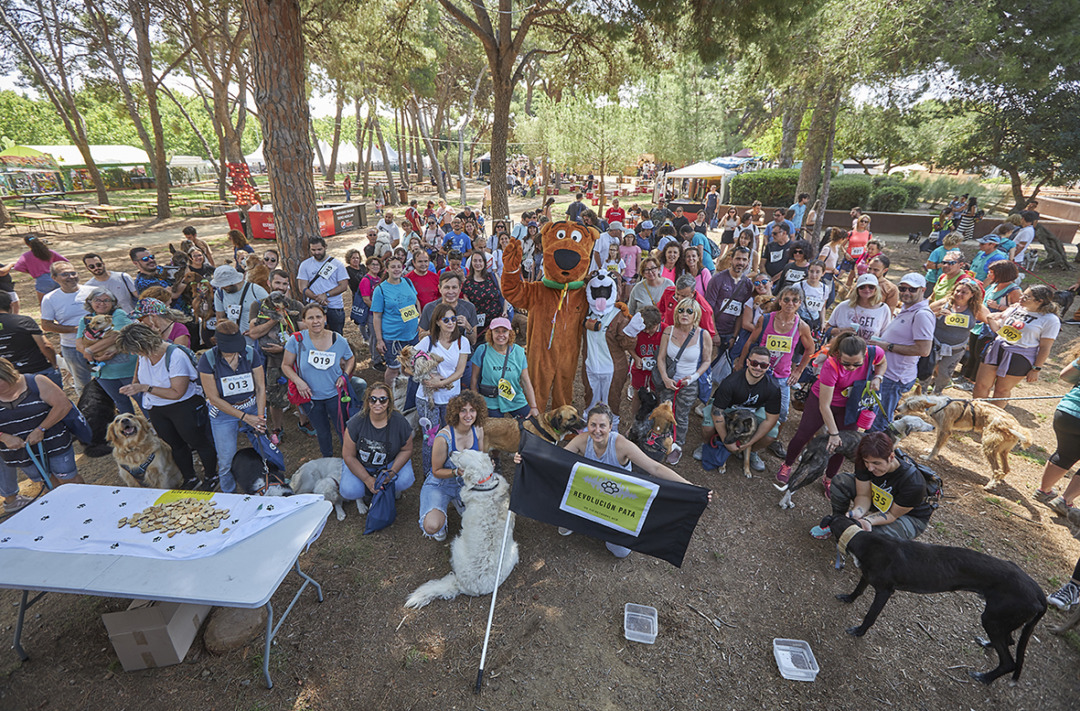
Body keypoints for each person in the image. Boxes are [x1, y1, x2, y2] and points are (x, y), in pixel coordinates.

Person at [550, 403, 708, 558]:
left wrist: (691, 486)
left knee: (620, 552)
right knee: (565, 517)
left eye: (602, 426)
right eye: (593, 425)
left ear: (610, 426)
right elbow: (556, 460)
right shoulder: (582, 440)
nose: (597, 431)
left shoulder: (622, 445)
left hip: (617, 499)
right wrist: (527, 459)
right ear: (588, 425)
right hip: (591, 493)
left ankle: (601, 524)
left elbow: (655, 468)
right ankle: (578, 519)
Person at [775, 332, 886, 489]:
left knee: (843, 444)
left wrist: (878, 377)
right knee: (804, 434)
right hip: (823, 400)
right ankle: (787, 464)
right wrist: (833, 434)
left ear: (865, 354)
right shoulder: (831, 364)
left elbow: (882, 362)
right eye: (847, 364)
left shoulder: (874, 352)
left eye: (857, 364)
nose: (852, 368)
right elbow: (824, 405)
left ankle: (829, 478)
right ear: (838, 355)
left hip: (851, 404)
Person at [117, 323, 217, 490]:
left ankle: (211, 475)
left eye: (135, 350)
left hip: (183, 407)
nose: (134, 354)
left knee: (198, 442)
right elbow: (138, 375)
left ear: (145, 344)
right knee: (174, 445)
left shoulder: (175, 355)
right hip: (157, 408)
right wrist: (134, 385)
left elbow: (176, 392)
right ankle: (190, 477)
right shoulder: (144, 355)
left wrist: (144, 388)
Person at [810, 432, 934, 541]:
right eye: (867, 462)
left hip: (908, 516)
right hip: (882, 501)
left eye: (876, 463)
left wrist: (868, 520)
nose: (870, 468)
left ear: (891, 457)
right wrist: (855, 513)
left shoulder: (914, 483)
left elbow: (892, 514)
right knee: (841, 481)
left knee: (873, 535)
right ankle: (837, 522)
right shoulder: (865, 461)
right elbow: (864, 495)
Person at [0, 356, 84, 513]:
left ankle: (84, 505)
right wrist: (3, 437)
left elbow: (63, 405)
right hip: (20, 451)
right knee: (46, 481)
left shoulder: (36, 382)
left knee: (69, 479)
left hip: (54, 443)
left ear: (7, 374)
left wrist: (41, 429)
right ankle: (63, 511)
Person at [197, 320, 267, 493]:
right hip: (223, 412)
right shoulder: (208, 360)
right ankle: (229, 493)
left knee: (264, 449)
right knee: (226, 459)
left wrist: (259, 417)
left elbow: (260, 388)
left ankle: (267, 483)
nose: (232, 352)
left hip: (251, 406)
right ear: (217, 342)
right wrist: (245, 418)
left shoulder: (250, 354)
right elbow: (213, 398)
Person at [735, 284, 814, 428]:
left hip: (781, 376)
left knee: (782, 412)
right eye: (787, 299)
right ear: (780, 301)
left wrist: (798, 371)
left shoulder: (802, 326)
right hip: (757, 370)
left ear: (799, 303)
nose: (790, 303)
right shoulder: (765, 319)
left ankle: (774, 440)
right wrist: (741, 363)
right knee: (747, 406)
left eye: (795, 300)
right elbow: (750, 341)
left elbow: (810, 349)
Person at [282, 304, 356, 458]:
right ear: (304, 321)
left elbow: (350, 358)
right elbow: (286, 365)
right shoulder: (297, 340)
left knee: (342, 429)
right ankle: (327, 458)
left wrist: (345, 376)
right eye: (310, 318)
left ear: (325, 319)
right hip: (311, 398)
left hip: (335, 395)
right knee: (322, 432)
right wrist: (298, 381)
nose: (315, 321)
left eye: (318, 317)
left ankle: (349, 460)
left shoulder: (337, 339)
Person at [866, 273, 934, 431]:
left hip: (894, 377)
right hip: (886, 373)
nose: (906, 292)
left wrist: (887, 346)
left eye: (912, 289)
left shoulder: (922, 314)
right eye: (903, 288)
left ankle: (875, 452)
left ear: (923, 290)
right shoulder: (907, 309)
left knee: (879, 421)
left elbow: (924, 350)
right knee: (873, 415)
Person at [698, 346, 782, 472]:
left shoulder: (773, 387)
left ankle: (751, 451)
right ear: (748, 362)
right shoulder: (731, 382)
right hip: (728, 409)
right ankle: (706, 444)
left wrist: (749, 443)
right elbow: (717, 412)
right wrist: (727, 441)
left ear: (768, 366)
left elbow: (771, 419)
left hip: (754, 410)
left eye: (763, 365)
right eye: (754, 363)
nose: (758, 368)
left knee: (772, 434)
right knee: (708, 426)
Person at [247, 269, 308, 442]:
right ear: (269, 283)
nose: (281, 287)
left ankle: (304, 422)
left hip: (295, 359)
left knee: (301, 391)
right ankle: (277, 428)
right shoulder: (258, 306)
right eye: (277, 283)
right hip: (272, 362)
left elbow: (305, 332)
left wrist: (284, 349)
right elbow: (254, 333)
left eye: (284, 284)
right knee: (275, 398)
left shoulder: (295, 305)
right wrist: (275, 318)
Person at [973, 284, 1059, 402]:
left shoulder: (1050, 320)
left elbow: (1045, 347)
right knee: (980, 385)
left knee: (1001, 391)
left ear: (1039, 301)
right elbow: (1000, 329)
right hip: (997, 348)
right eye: (1023, 294)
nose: (1021, 298)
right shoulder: (1015, 308)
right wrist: (990, 318)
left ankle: (994, 418)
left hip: (1020, 356)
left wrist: (1036, 369)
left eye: (1026, 297)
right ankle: (975, 415)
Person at [420, 390, 486, 540]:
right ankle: (441, 521)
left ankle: (459, 501)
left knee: (485, 518)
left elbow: (481, 457)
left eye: (472, 410)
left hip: (468, 483)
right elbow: (436, 470)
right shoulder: (443, 437)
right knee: (431, 527)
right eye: (463, 410)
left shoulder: (478, 430)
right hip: (441, 483)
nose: (468, 415)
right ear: (455, 413)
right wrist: (457, 472)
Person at [341, 381, 416, 511]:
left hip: (389, 462)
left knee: (406, 480)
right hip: (363, 464)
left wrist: (392, 472)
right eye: (373, 399)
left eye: (383, 400)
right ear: (367, 401)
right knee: (349, 490)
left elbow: (407, 449)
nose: (377, 403)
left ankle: (390, 488)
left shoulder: (399, 421)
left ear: (389, 402)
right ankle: (367, 490)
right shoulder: (356, 423)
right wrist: (367, 479)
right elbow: (348, 455)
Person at [655, 298, 713, 462]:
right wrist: (665, 378)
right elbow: (661, 358)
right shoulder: (669, 331)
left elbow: (707, 360)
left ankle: (676, 446)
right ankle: (661, 440)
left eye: (689, 311)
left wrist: (693, 377)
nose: (684, 314)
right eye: (681, 310)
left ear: (696, 315)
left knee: (680, 416)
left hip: (688, 384)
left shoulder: (703, 335)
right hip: (669, 381)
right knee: (664, 412)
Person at [959, 260, 1022, 385]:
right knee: (972, 352)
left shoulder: (1014, 290)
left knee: (981, 355)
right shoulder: (993, 285)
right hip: (979, 325)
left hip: (992, 329)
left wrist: (998, 307)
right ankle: (965, 377)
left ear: (1002, 274)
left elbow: (1019, 311)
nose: (989, 274)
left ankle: (973, 382)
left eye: (992, 272)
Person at [75, 288, 137, 413]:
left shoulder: (118, 314)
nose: (102, 303)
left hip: (127, 369)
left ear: (113, 303)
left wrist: (90, 351)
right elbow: (78, 344)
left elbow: (115, 336)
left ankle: (152, 427)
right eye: (97, 300)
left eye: (106, 300)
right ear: (90, 302)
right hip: (101, 370)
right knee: (119, 401)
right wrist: (94, 356)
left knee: (142, 399)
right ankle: (129, 429)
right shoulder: (86, 319)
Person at [921, 278, 986, 394]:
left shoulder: (976, 308)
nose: (959, 294)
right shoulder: (945, 303)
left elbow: (990, 320)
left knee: (945, 374)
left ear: (972, 295)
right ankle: (921, 393)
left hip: (956, 348)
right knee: (926, 371)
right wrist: (937, 314)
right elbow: (923, 314)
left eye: (964, 292)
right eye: (958, 291)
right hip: (934, 344)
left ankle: (937, 394)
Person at [39, 262, 94, 396]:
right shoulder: (50, 299)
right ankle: (89, 412)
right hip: (72, 347)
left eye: (73, 273)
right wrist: (75, 329)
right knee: (83, 383)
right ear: (54, 278)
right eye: (65, 274)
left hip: (100, 343)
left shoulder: (93, 291)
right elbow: (46, 324)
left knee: (109, 379)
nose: (71, 277)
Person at [470, 316, 538, 420]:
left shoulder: (519, 352)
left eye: (504, 331)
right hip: (491, 400)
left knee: (531, 425)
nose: (501, 335)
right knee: (497, 432)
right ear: (490, 333)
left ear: (510, 333)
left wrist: (533, 406)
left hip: (514, 398)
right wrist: (476, 404)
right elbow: (474, 379)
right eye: (497, 331)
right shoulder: (482, 350)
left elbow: (526, 381)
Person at [703, 246, 753, 383]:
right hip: (714, 332)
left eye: (744, 260)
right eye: (738, 258)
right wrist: (714, 333)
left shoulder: (748, 284)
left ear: (748, 262)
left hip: (730, 334)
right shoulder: (718, 279)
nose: (740, 263)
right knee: (706, 368)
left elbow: (741, 313)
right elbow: (709, 309)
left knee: (724, 371)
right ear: (731, 259)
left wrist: (734, 336)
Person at [371, 254, 421, 386]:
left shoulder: (407, 282)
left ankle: (406, 395)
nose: (396, 269)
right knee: (393, 368)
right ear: (386, 269)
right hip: (393, 338)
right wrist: (379, 340)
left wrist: (419, 320)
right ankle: (389, 395)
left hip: (412, 335)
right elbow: (377, 316)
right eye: (393, 267)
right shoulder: (380, 289)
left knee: (410, 367)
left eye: (399, 266)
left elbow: (416, 301)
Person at [0, 292, 59, 386]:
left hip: (7, 376)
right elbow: (46, 346)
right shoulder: (24, 321)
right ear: (11, 305)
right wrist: (54, 364)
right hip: (37, 370)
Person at [297, 237, 349, 335]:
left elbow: (343, 286)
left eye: (319, 249)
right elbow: (302, 287)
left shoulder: (337, 264)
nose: (316, 252)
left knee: (336, 335)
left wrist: (326, 295)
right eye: (313, 250)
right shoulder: (305, 265)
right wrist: (317, 298)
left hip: (334, 306)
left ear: (325, 247)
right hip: (314, 306)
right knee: (316, 334)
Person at [827, 273, 892, 342]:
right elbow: (827, 328)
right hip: (841, 349)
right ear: (857, 289)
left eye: (871, 287)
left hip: (868, 351)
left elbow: (885, 335)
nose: (867, 289)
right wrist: (841, 331)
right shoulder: (843, 306)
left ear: (876, 289)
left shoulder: (883, 309)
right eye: (862, 287)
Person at [212, 265, 268, 342]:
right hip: (234, 342)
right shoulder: (219, 293)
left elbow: (271, 315)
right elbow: (220, 317)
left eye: (224, 285)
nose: (221, 288)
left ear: (233, 283)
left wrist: (256, 330)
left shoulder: (256, 291)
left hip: (257, 342)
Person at [10, 234, 67, 303]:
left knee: (44, 303)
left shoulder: (26, 256)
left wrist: (30, 271)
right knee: (63, 300)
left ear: (27, 244)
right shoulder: (49, 252)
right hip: (56, 276)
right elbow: (64, 261)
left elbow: (18, 267)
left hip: (42, 279)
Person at [462, 250, 506, 338]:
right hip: (479, 326)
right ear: (471, 263)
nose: (478, 263)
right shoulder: (467, 283)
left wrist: (505, 311)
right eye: (475, 261)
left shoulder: (493, 277)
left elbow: (504, 295)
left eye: (480, 260)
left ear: (484, 262)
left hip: (496, 321)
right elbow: (468, 306)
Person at [842, 214, 873, 289]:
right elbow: (842, 245)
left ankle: (850, 294)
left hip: (861, 259)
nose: (863, 223)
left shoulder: (868, 234)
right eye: (862, 221)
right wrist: (845, 253)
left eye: (866, 222)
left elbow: (870, 246)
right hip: (849, 258)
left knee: (854, 276)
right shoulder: (851, 233)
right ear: (858, 221)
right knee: (840, 274)